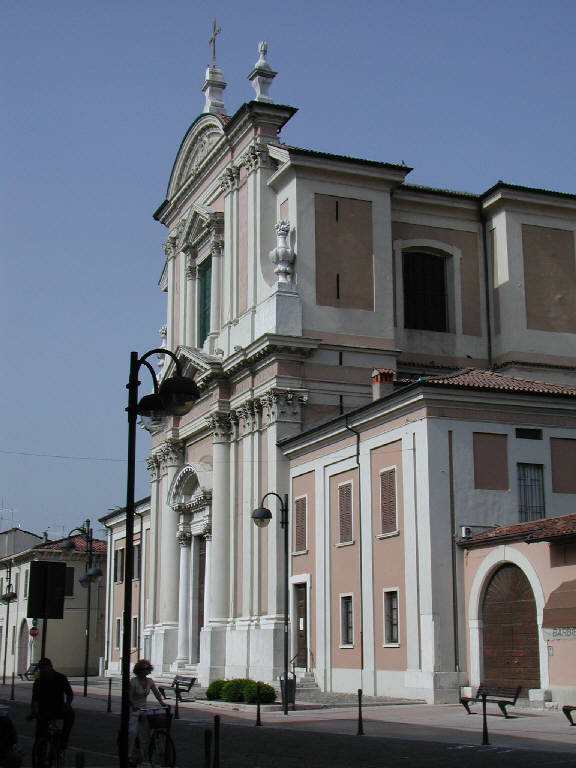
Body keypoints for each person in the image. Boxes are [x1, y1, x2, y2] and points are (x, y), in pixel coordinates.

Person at [29, 658, 74, 751]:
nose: (41, 671)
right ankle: (40, 755)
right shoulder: (38, 681)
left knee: (70, 714)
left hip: (58, 708)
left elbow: (69, 694)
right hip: (43, 711)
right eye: (40, 669)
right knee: (41, 735)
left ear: (49, 667)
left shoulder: (61, 678)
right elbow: (34, 699)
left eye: (43, 669)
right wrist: (33, 712)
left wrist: (67, 705)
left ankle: (64, 738)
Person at [128, 659, 165, 765]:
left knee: (150, 729)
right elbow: (130, 696)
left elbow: (157, 693)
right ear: (138, 671)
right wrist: (133, 705)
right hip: (135, 709)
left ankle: (146, 753)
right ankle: (129, 754)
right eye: (144, 669)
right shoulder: (134, 682)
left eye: (147, 669)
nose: (146, 671)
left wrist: (162, 703)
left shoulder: (150, 681)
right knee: (132, 731)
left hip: (144, 708)